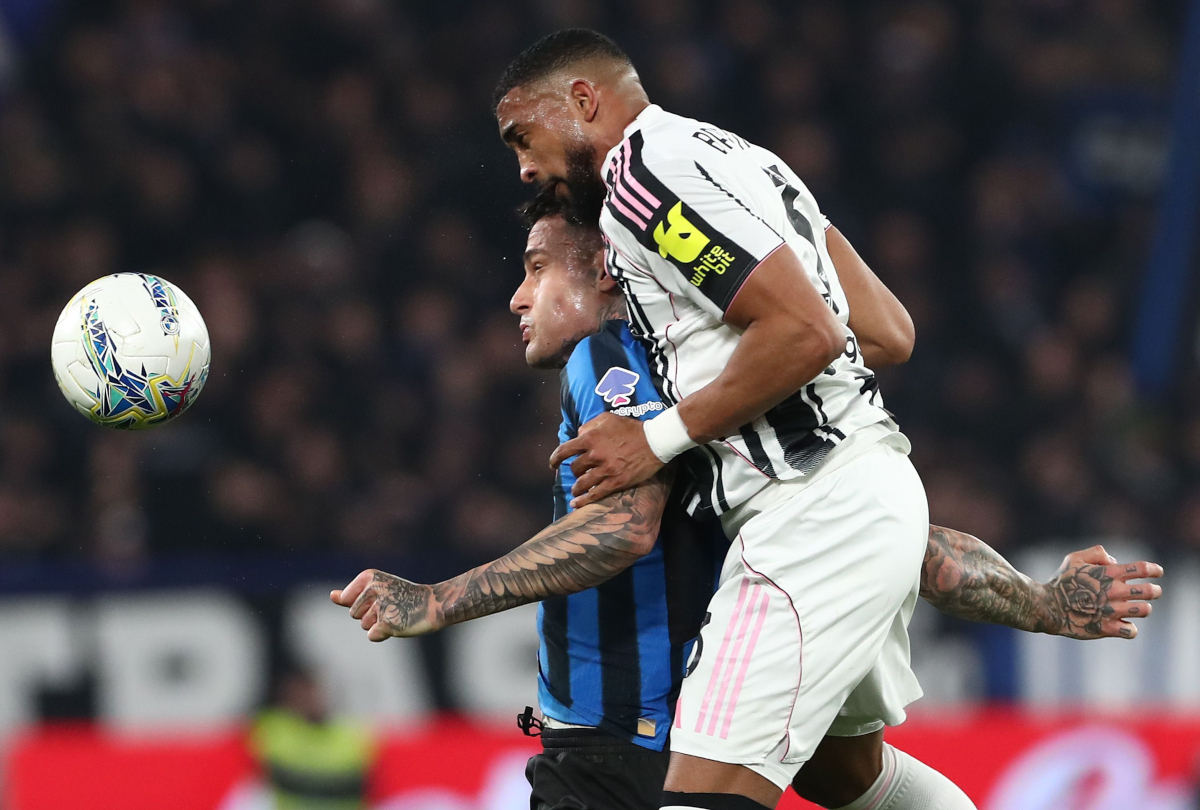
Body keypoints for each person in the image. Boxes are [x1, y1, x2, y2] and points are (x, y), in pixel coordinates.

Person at [331, 194, 1164, 810]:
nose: (519, 296)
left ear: (607, 272)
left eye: (538, 267)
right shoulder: (722, 386)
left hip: (616, 745)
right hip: (705, 735)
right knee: (851, 775)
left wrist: (440, 599)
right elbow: (885, 537)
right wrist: (1039, 603)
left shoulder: (608, 355)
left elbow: (624, 527)